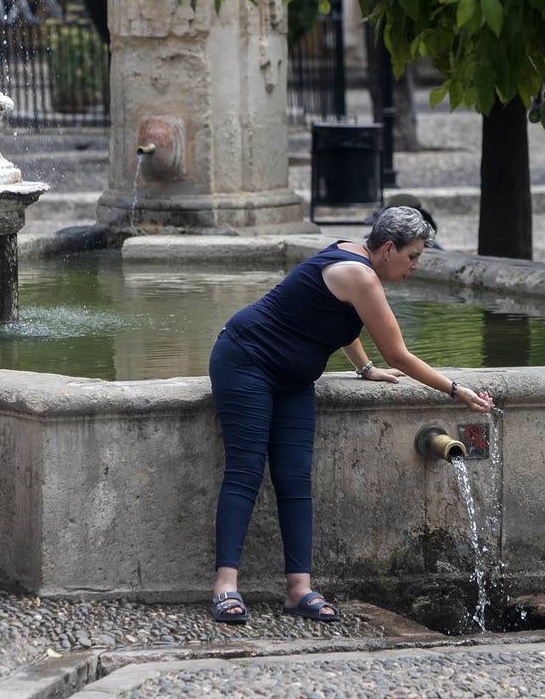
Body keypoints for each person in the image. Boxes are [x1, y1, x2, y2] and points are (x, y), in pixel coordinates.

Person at [207, 206, 494, 624]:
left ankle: (298, 590)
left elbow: (344, 320)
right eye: (413, 256)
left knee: (295, 477)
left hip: (293, 380)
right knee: (246, 470)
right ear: (389, 248)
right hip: (246, 362)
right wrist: (455, 391)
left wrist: (365, 369)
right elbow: (398, 353)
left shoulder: (357, 259)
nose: (416, 266)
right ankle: (226, 586)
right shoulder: (359, 273)